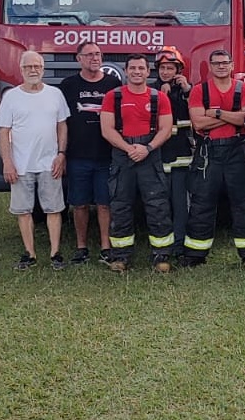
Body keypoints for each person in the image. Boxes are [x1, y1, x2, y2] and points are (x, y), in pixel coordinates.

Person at [182, 49, 245, 267]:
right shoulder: (200, 91)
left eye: (225, 63)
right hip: (208, 153)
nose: (221, 66)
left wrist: (216, 113)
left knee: (244, 202)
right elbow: (198, 123)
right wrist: (233, 117)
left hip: (238, 151)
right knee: (202, 202)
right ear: (210, 66)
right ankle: (195, 255)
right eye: (216, 63)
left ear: (232, 65)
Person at [100, 53, 176, 272]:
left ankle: (161, 256)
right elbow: (107, 129)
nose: (136, 72)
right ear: (126, 71)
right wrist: (128, 148)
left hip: (150, 155)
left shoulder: (158, 97)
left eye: (141, 68)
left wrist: (148, 148)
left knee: (157, 206)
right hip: (123, 156)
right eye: (132, 68)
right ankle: (120, 256)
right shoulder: (112, 97)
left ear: (147, 71)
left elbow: (166, 129)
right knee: (121, 205)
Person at [0, 51, 71, 270]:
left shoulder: (55, 94)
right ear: (21, 69)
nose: (33, 70)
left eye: (37, 66)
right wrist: (7, 162)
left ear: (43, 69)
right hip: (20, 165)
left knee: (54, 209)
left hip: (50, 163)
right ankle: (29, 253)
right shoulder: (11, 97)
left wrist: (61, 154)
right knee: (23, 210)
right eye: (28, 67)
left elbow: (62, 126)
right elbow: (3, 132)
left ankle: (55, 253)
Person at [58, 41, 121, 264]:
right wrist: (62, 153)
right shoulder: (68, 85)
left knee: (105, 203)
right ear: (79, 59)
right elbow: (61, 122)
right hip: (77, 155)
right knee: (80, 203)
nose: (95, 58)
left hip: (106, 154)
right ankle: (81, 247)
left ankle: (105, 247)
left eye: (98, 54)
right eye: (90, 54)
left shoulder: (113, 83)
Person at [154, 46, 194, 257]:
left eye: (170, 68)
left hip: (181, 156)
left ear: (178, 69)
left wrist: (186, 90)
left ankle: (179, 244)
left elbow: (196, 112)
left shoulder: (188, 91)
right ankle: (162, 245)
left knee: (180, 203)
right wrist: (161, 96)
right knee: (160, 203)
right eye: (162, 68)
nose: (166, 72)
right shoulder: (152, 91)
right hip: (158, 156)